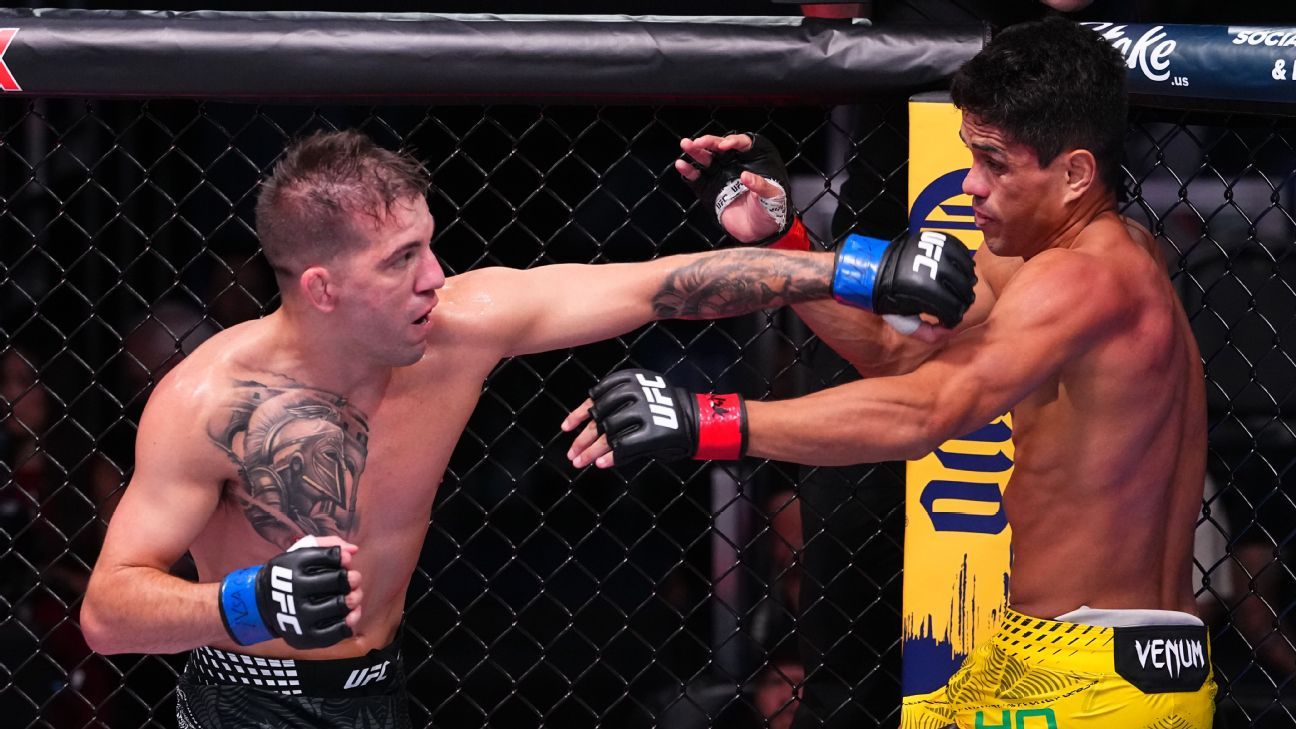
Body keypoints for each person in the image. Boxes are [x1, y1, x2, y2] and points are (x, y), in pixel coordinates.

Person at [78, 129, 975, 729]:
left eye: (429, 244)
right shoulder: (211, 403)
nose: (435, 276)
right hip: (246, 700)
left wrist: (858, 269)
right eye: (401, 260)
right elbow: (108, 613)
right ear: (322, 288)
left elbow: (658, 286)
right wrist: (245, 602)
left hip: (383, 685)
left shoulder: (459, 327)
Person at [564, 16, 1218, 728]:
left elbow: (926, 411)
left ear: (1075, 173)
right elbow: (894, 352)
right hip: (1088, 655)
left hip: (1089, 674)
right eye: (971, 156)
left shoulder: (1082, 280)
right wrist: (782, 242)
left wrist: (706, 421)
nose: (971, 185)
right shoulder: (1093, 253)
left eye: (996, 163)